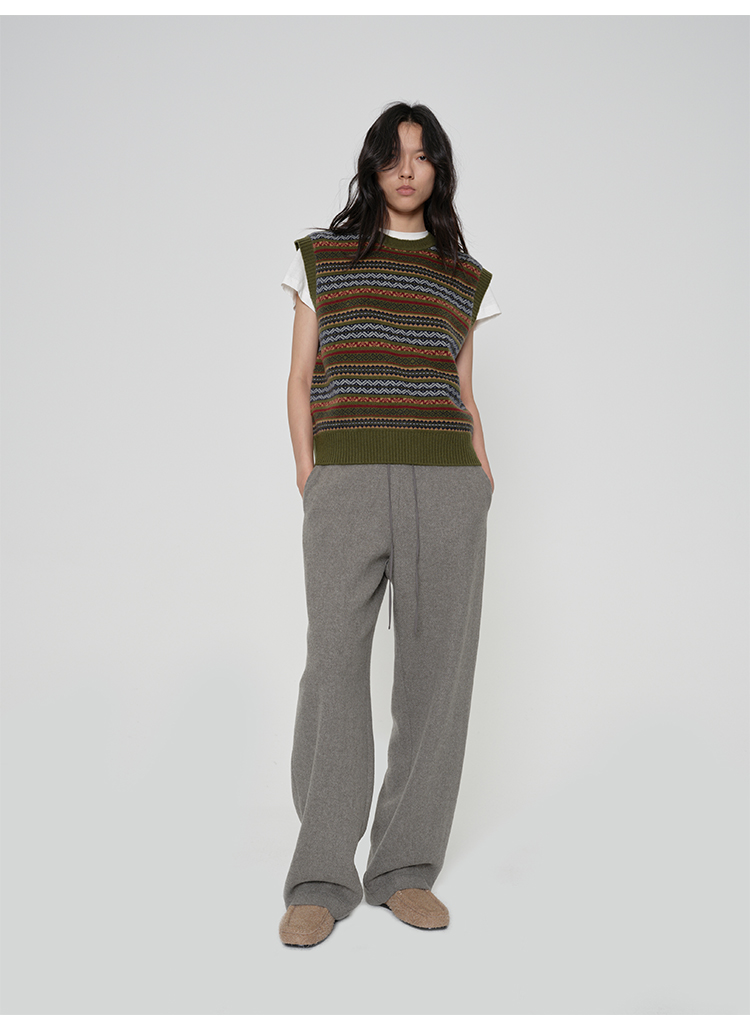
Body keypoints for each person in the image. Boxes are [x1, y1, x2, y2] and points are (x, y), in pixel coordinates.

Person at [279, 101, 500, 947]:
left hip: (448, 482)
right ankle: (320, 876)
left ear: (439, 169)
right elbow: (299, 377)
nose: (407, 170)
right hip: (346, 482)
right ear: (372, 167)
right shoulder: (324, 257)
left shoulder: (461, 274)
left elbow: (464, 389)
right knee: (334, 669)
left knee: (435, 677)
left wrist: (482, 477)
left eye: (422, 155)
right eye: (393, 155)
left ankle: (404, 869)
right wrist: (311, 476)